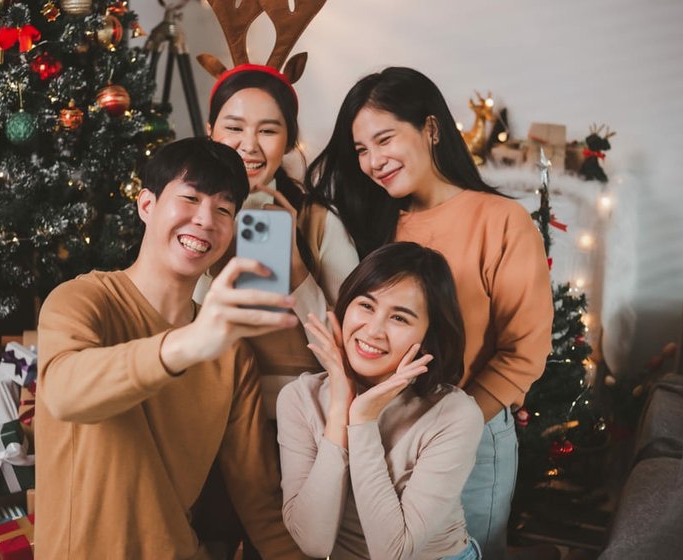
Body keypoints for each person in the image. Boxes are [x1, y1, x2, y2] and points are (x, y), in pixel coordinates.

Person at [306, 67, 554, 559]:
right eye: (360, 150)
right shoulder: (370, 224)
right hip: (377, 433)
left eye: (384, 139)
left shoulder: (501, 222)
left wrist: (451, 426)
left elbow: (524, 351)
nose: (373, 162)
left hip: (469, 439)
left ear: (431, 129)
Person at [34, 137, 309, 559]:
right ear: (147, 206)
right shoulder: (82, 300)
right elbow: (64, 394)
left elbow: (260, 500)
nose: (205, 220)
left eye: (223, 209)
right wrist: (189, 344)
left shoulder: (232, 352)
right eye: (190, 198)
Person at [277, 241, 484, 560]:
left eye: (399, 318)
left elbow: (395, 552)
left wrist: (362, 419)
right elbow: (313, 542)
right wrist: (338, 410)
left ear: (428, 335)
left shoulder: (454, 413)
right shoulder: (299, 398)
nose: (373, 330)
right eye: (366, 306)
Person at [198, 65, 359, 417]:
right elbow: (175, 323)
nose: (249, 145)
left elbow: (353, 346)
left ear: (288, 140)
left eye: (268, 130)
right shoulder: (191, 216)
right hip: (208, 408)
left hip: (303, 413)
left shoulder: (317, 220)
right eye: (234, 128)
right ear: (210, 132)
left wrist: (294, 262)